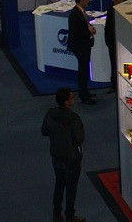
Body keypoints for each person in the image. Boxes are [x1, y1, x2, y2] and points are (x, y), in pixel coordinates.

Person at [41, 87, 86, 222]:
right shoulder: (73, 118)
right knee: (71, 188)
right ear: (66, 102)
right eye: (72, 97)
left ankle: (57, 213)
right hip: (71, 158)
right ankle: (70, 215)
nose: (74, 99)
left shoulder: (50, 113)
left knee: (59, 184)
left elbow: (44, 131)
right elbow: (79, 138)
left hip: (56, 156)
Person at [67, 0, 97, 105]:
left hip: (84, 45)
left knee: (84, 70)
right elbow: (76, 32)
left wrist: (89, 28)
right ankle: (84, 96)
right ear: (81, 0)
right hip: (80, 46)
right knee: (83, 71)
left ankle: (84, 92)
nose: (88, 2)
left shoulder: (80, 12)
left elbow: (82, 26)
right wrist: (89, 31)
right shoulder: (75, 14)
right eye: (87, 0)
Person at [104, 0, 124, 93]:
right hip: (112, 43)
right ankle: (114, 85)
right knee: (114, 64)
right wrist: (108, 41)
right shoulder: (111, 9)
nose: (112, 0)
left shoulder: (126, 9)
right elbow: (107, 27)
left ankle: (124, 84)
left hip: (123, 43)